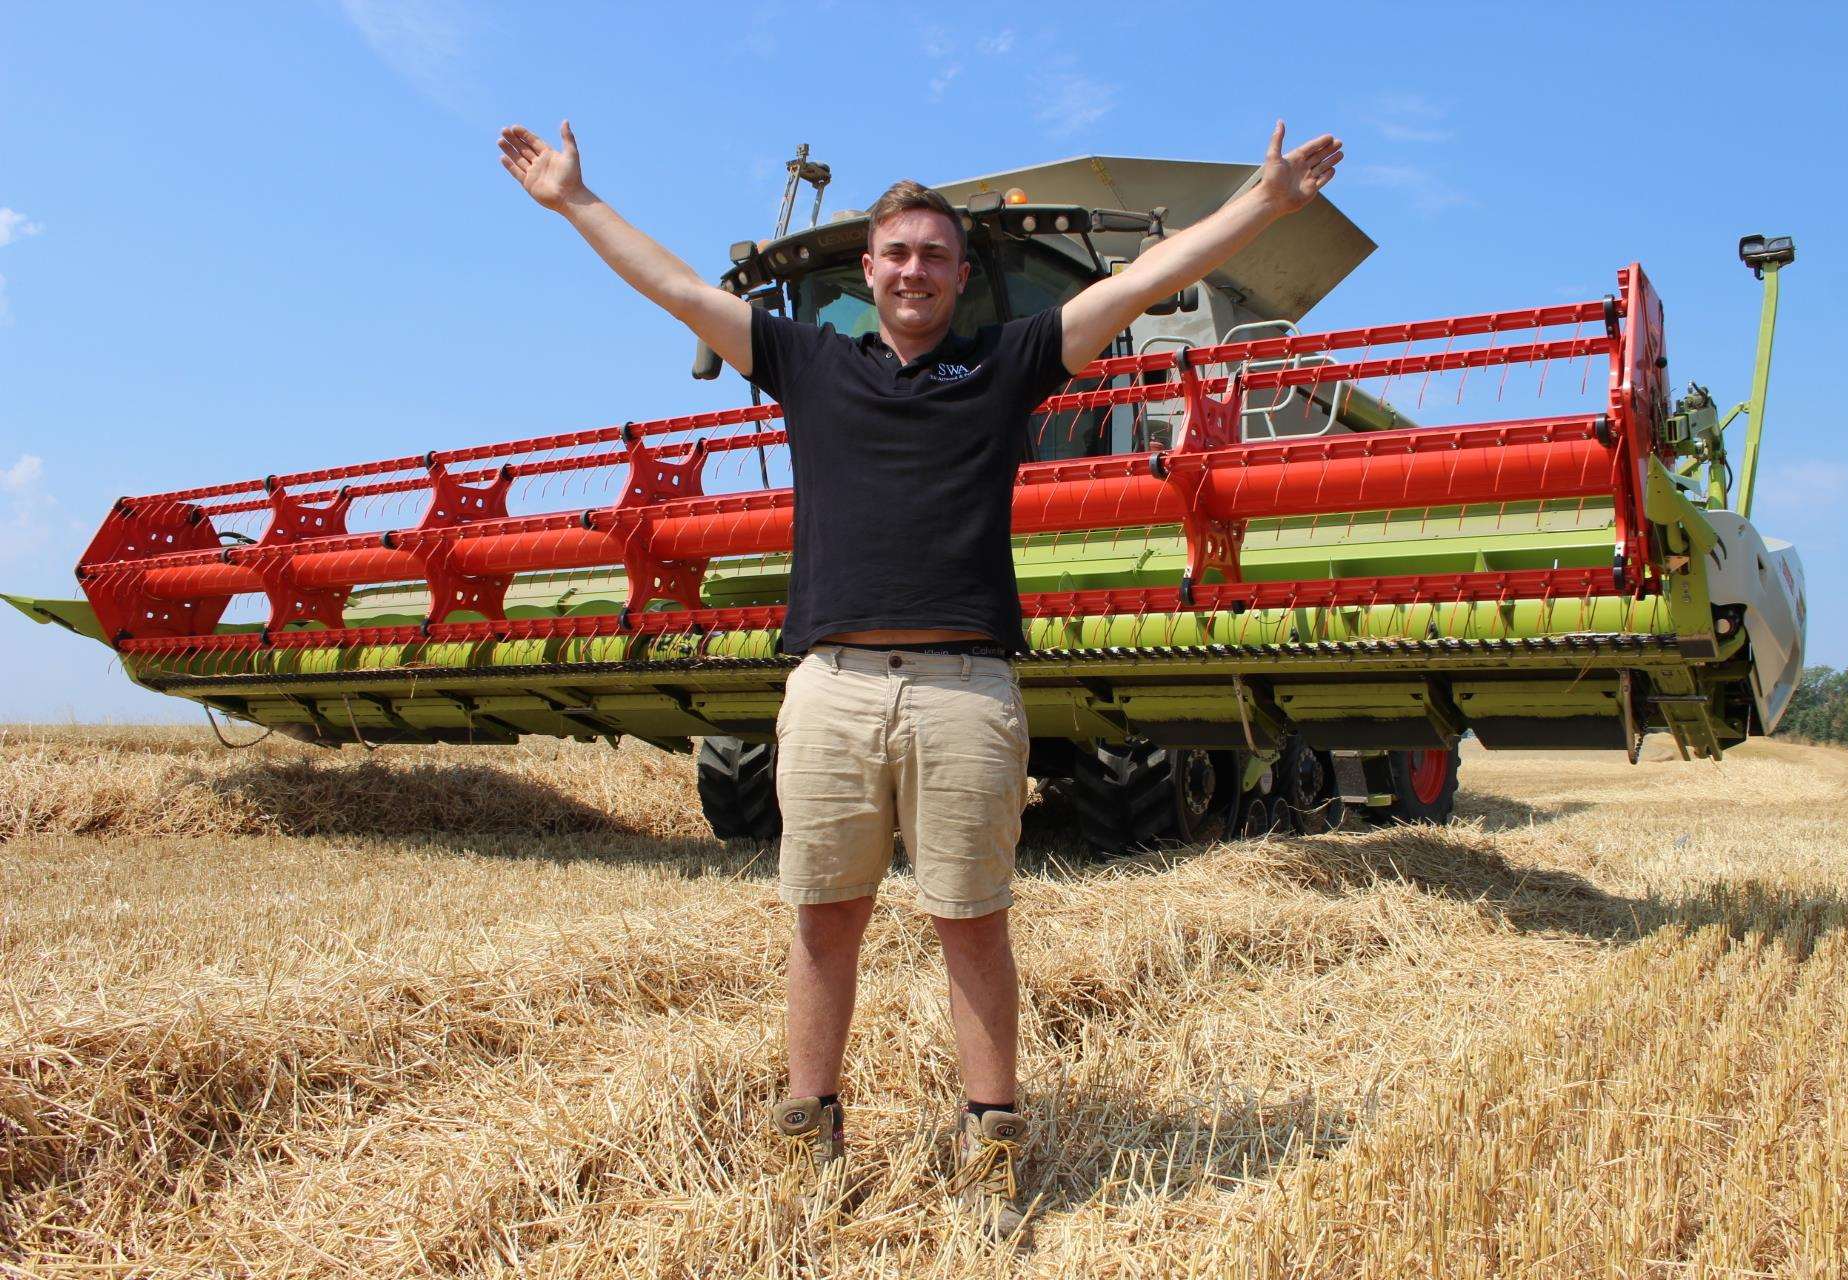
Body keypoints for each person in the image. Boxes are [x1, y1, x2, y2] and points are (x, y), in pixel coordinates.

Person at [496, 118, 1342, 1238]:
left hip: (962, 690)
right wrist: (572, 200)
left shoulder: (1004, 365)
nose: (913, 271)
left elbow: (1144, 281)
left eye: (934, 256)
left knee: (972, 918)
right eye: (897, 254)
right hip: (834, 684)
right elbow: (681, 289)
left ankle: (990, 1137)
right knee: (822, 914)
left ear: (957, 277)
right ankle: (811, 1125)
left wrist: (1262, 204)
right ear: (868, 269)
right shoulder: (808, 361)